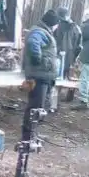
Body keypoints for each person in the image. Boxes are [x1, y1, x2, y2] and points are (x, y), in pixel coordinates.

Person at [22, 9, 60, 140]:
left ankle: (33, 133)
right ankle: (28, 136)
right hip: (39, 76)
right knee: (35, 107)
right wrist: (38, 61)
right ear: (52, 23)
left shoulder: (43, 31)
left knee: (40, 107)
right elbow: (32, 43)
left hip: (44, 76)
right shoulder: (39, 31)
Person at [53, 6, 82, 78]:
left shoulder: (55, 26)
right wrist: (74, 57)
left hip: (56, 54)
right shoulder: (76, 27)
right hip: (69, 56)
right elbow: (79, 45)